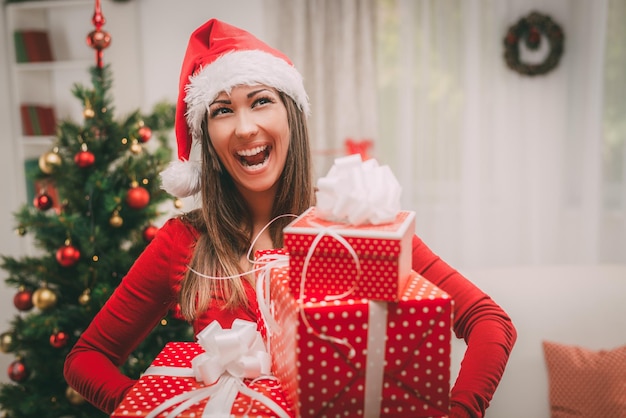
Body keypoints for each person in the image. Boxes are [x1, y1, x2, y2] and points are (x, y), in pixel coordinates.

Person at [64, 18, 516, 418]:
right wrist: (154, 408)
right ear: (208, 140)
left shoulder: (356, 229)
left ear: (291, 115)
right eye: (222, 111)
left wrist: (460, 412)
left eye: (260, 101)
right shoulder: (183, 241)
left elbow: (489, 322)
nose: (244, 128)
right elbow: (86, 358)